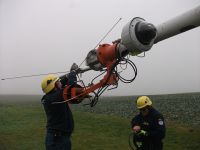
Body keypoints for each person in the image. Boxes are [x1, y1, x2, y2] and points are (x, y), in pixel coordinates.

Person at [41, 64, 81, 150]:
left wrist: (67, 76)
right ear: (54, 86)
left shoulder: (49, 97)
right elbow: (71, 88)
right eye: (57, 82)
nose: (60, 83)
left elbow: (61, 85)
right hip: (59, 139)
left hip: (57, 136)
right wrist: (73, 73)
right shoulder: (55, 97)